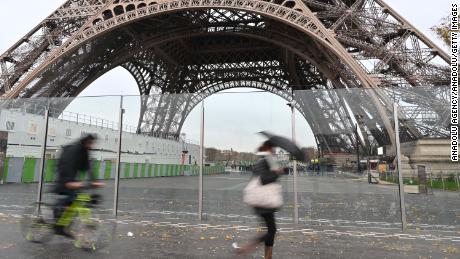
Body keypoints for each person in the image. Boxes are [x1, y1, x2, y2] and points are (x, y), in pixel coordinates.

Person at [233, 140, 283, 259]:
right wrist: (277, 173)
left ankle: (268, 256)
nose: (275, 150)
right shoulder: (264, 161)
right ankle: (246, 247)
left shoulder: (264, 161)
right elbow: (264, 179)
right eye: (273, 148)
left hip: (263, 200)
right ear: (269, 149)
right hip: (263, 201)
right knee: (272, 230)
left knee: (271, 230)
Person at [53, 134, 104, 237]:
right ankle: (57, 210)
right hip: (64, 175)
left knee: (78, 198)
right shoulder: (74, 150)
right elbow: (67, 164)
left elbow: (88, 167)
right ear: (86, 142)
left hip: (71, 176)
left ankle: (62, 225)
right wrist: (69, 182)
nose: (92, 145)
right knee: (72, 195)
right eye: (91, 143)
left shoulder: (84, 151)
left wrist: (94, 181)